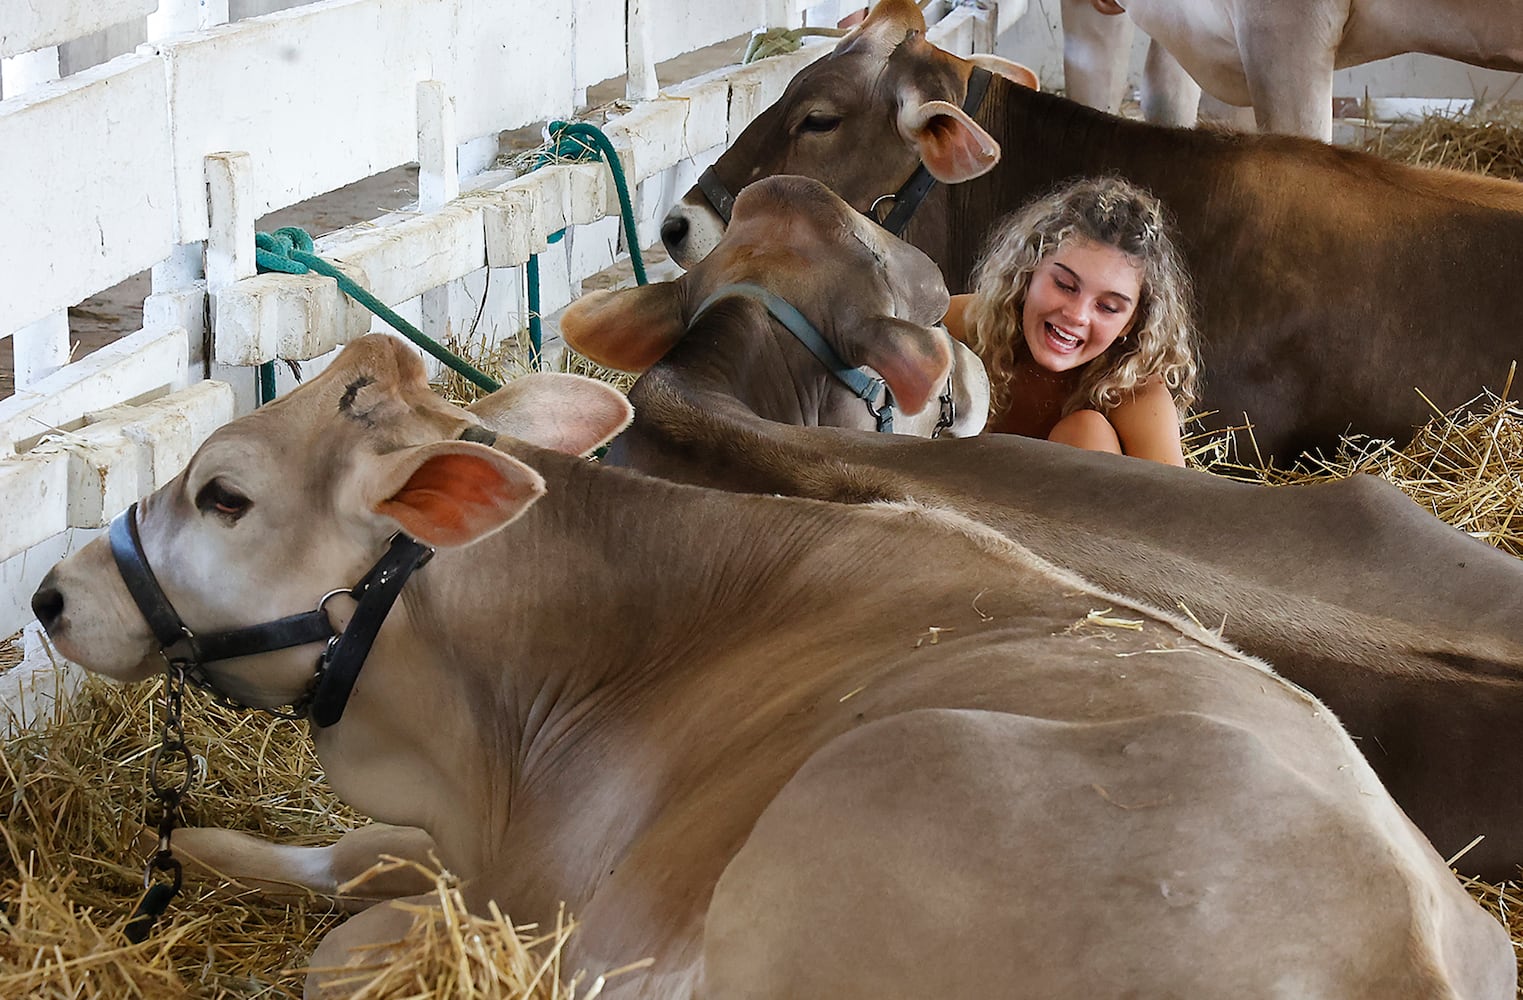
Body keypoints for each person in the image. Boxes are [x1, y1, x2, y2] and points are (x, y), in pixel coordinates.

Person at [942, 175, 1199, 466]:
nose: (1077, 315)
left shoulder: (1135, 390)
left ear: (1129, 323)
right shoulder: (961, 325)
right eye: (1064, 285)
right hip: (948, 503)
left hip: (1070, 512)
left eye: (1108, 306)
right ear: (1027, 273)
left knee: (1084, 431)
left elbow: (1174, 505)